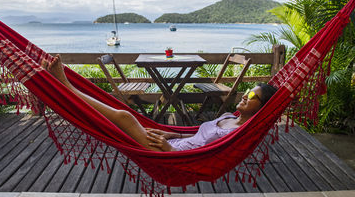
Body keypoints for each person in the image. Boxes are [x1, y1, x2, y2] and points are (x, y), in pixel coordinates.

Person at [43, 55, 277, 152]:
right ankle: (68, 89)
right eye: (247, 91)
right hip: (171, 143)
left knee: (125, 117)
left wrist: (169, 149)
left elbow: (205, 153)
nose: (246, 96)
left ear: (263, 107)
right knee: (123, 119)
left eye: (253, 97)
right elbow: (196, 137)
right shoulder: (229, 118)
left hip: (173, 155)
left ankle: (68, 89)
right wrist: (169, 133)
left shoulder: (239, 131)